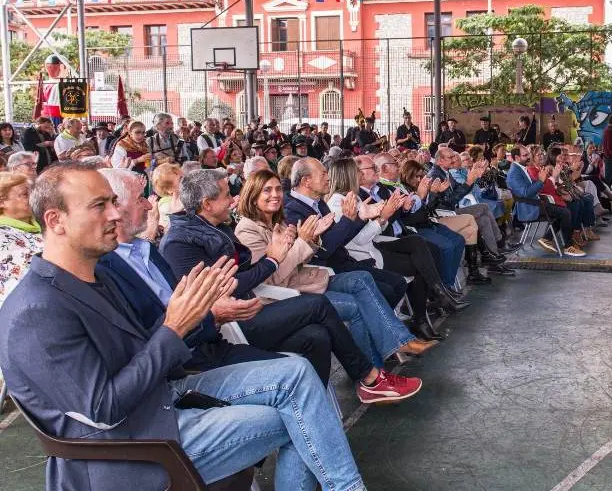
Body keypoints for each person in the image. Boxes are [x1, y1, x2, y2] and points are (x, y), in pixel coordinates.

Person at [0, 162, 367, 490]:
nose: (115, 214)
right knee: (298, 417)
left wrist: (194, 311)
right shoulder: (35, 310)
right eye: (100, 205)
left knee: (298, 374)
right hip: (130, 446)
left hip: (159, 398)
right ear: (54, 221)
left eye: (114, 201)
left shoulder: (97, 276)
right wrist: (175, 326)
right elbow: (103, 410)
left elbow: (147, 345)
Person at [236, 168, 439, 355]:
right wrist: (311, 239)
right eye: (267, 191)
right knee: (364, 299)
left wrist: (312, 240)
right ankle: (377, 361)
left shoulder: (280, 219)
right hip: (295, 287)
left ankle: (395, 341)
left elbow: (310, 254)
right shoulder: (257, 225)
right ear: (253, 196)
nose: (276, 194)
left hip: (317, 272)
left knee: (364, 279)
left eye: (279, 189)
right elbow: (274, 274)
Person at [327, 158, 466, 313]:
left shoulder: (360, 196)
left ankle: (438, 297)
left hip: (380, 239)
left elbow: (380, 223)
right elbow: (359, 239)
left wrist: (386, 214)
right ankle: (426, 310)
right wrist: (382, 217)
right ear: (348, 175)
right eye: (358, 171)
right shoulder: (340, 201)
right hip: (363, 251)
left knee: (419, 243)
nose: (361, 174)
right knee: (421, 262)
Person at [283, 157, 409, 309]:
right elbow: (323, 251)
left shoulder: (318, 202)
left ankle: (379, 327)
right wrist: (351, 219)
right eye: (323, 174)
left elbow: (339, 238)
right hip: (326, 271)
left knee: (398, 283)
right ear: (306, 181)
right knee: (387, 290)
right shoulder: (292, 210)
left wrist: (360, 218)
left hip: (344, 262)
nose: (328, 177)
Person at [399, 158, 492, 285]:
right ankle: (446, 285)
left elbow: (435, 205)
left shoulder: (446, 175)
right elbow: (439, 205)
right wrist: (431, 193)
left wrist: (471, 180)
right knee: (457, 236)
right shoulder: (431, 177)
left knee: (468, 231)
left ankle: (456, 280)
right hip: (432, 219)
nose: (456, 159)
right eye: (417, 177)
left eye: (421, 176)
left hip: (435, 217)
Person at [507, 145, 586, 257]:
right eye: (525, 155)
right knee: (565, 212)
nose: (528, 157)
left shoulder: (521, 168)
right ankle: (568, 246)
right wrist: (541, 181)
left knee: (565, 210)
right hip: (530, 207)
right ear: (516, 158)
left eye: (528, 154)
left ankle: (547, 238)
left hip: (537, 201)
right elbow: (525, 193)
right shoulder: (514, 173)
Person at [0, 172, 42, 305]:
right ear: (2, 202)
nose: (33, 197)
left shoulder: (42, 221)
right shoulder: (3, 237)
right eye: (25, 194)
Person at [152, 162, 184, 231]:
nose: (184, 180)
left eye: (181, 177)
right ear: (169, 190)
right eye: (180, 180)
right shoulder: (165, 206)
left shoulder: (184, 195)